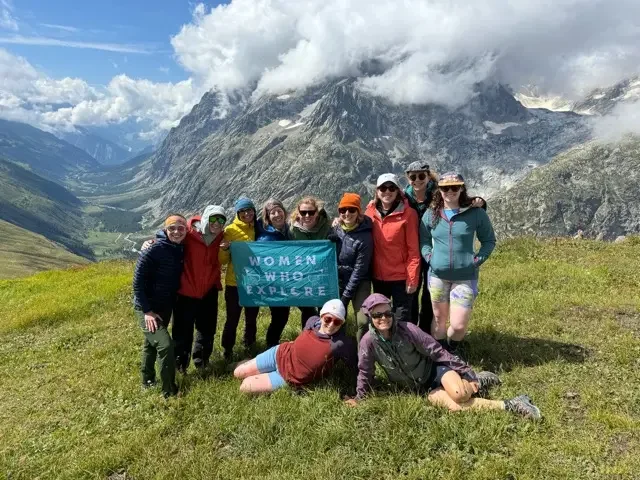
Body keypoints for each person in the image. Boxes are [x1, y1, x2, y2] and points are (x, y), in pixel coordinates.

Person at [347, 294, 541, 419]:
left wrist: (467, 374)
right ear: (370, 318)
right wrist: (360, 397)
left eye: (387, 313)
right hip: (419, 388)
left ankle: (477, 381)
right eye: (377, 315)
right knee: (456, 407)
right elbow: (366, 371)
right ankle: (512, 404)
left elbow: (437, 351)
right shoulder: (368, 342)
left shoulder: (409, 330)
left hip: (435, 371)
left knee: (460, 394)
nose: (383, 318)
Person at [419, 172, 496, 356]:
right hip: (438, 275)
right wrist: (430, 258)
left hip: (465, 277)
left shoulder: (475, 213)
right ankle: (442, 355)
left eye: (455, 187)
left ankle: (452, 348)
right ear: (440, 190)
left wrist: (476, 261)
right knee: (438, 320)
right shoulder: (431, 214)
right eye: (446, 188)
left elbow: (489, 241)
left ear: (462, 189)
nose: (450, 191)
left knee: (459, 325)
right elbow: (424, 240)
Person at [404, 161, 487, 332]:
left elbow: (462, 203)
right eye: (413, 177)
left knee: (428, 297)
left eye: (421, 176)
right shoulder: (404, 196)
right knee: (411, 294)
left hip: (437, 253)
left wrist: (480, 202)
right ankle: (412, 335)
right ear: (408, 178)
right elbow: (382, 202)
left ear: (428, 176)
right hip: (412, 250)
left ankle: (427, 334)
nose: (417, 180)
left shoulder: (438, 192)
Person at [233, 299, 357, 395]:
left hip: (288, 377)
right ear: (321, 316)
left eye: (337, 322)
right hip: (279, 353)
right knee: (237, 373)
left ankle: (255, 369)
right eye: (328, 319)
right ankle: (246, 363)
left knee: (245, 387)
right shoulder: (312, 321)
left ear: (342, 323)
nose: (331, 325)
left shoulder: (341, 343)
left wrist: (358, 393)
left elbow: (357, 366)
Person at [132, 214, 186, 398]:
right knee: (165, 345)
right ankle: (169, 391)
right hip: (147, 308)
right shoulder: (153, 249)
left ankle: (147, 380)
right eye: (172, 228)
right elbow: (137, 283)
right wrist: (147, 311)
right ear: (165, 230)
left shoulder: (180, 248)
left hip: (165, 306)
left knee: (150, 344)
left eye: (181, 228)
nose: (177, 232)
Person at [172, 205, 226, 373]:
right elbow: (171, 234)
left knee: (207, 329)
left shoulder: (221, 237)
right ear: (206, 218)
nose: (216, 223)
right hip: (185, 292)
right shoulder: (189, 233)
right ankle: (180, 365)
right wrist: (153, 239)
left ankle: (201, 361)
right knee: (182, 331)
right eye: (213, 219)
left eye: (221, 220)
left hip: (208, 291)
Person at [364, 173, 420, 329]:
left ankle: (405, 351)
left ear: (398, 191)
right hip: (378, 277)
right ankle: (384, 350)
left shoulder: (409, 214)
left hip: (400, 278)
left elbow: (413, 250)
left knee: (402, 320)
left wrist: (412, 279)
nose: (387, 191)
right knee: (381, 320)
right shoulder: (369, 212)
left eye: (391, 188)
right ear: (377, 191)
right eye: (383, 188)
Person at [219, 197, 260, 361]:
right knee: (232, 319)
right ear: (238, 213)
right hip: (234, 283)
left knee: (251, 317)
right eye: (243, 211)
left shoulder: (259, 228)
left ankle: (249, 345)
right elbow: (222, 261)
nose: (247, 213)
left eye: (250, 210)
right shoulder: (229, 231)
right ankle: (227, 349)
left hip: (254, 283)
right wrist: (224, 250)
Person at [288, 196, 331, 327]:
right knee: (307, 309)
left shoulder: (326, 227)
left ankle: (325, 338)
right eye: (303, 212)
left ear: (317, 213)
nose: (307, 215)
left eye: (311, 212)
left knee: (324, 309)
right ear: (298, 213)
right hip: (302, 277)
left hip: (322, 275)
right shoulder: (292, 230)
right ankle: (307, 338)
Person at [331, 192, 373, 323]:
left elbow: (359, 270)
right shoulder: (335, 229)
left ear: (358, 212)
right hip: (339, 279)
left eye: (352, 209)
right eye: (343, 210)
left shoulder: (365, 237)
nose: (347, 213)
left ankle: (364, 343)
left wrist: (345, 296)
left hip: (360, 281)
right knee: (335, 316)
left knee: (363, 321)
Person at [256, 198, 291, 347]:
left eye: (279, 211)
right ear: (268, 217)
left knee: (308, 309)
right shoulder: (265, 238)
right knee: (280, 317)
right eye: (273, 213)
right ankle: (271, 346)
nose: (277, 215)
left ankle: (307, 342)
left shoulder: (290, 230)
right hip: (275, 284)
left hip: (293, 281)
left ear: (284, 212)